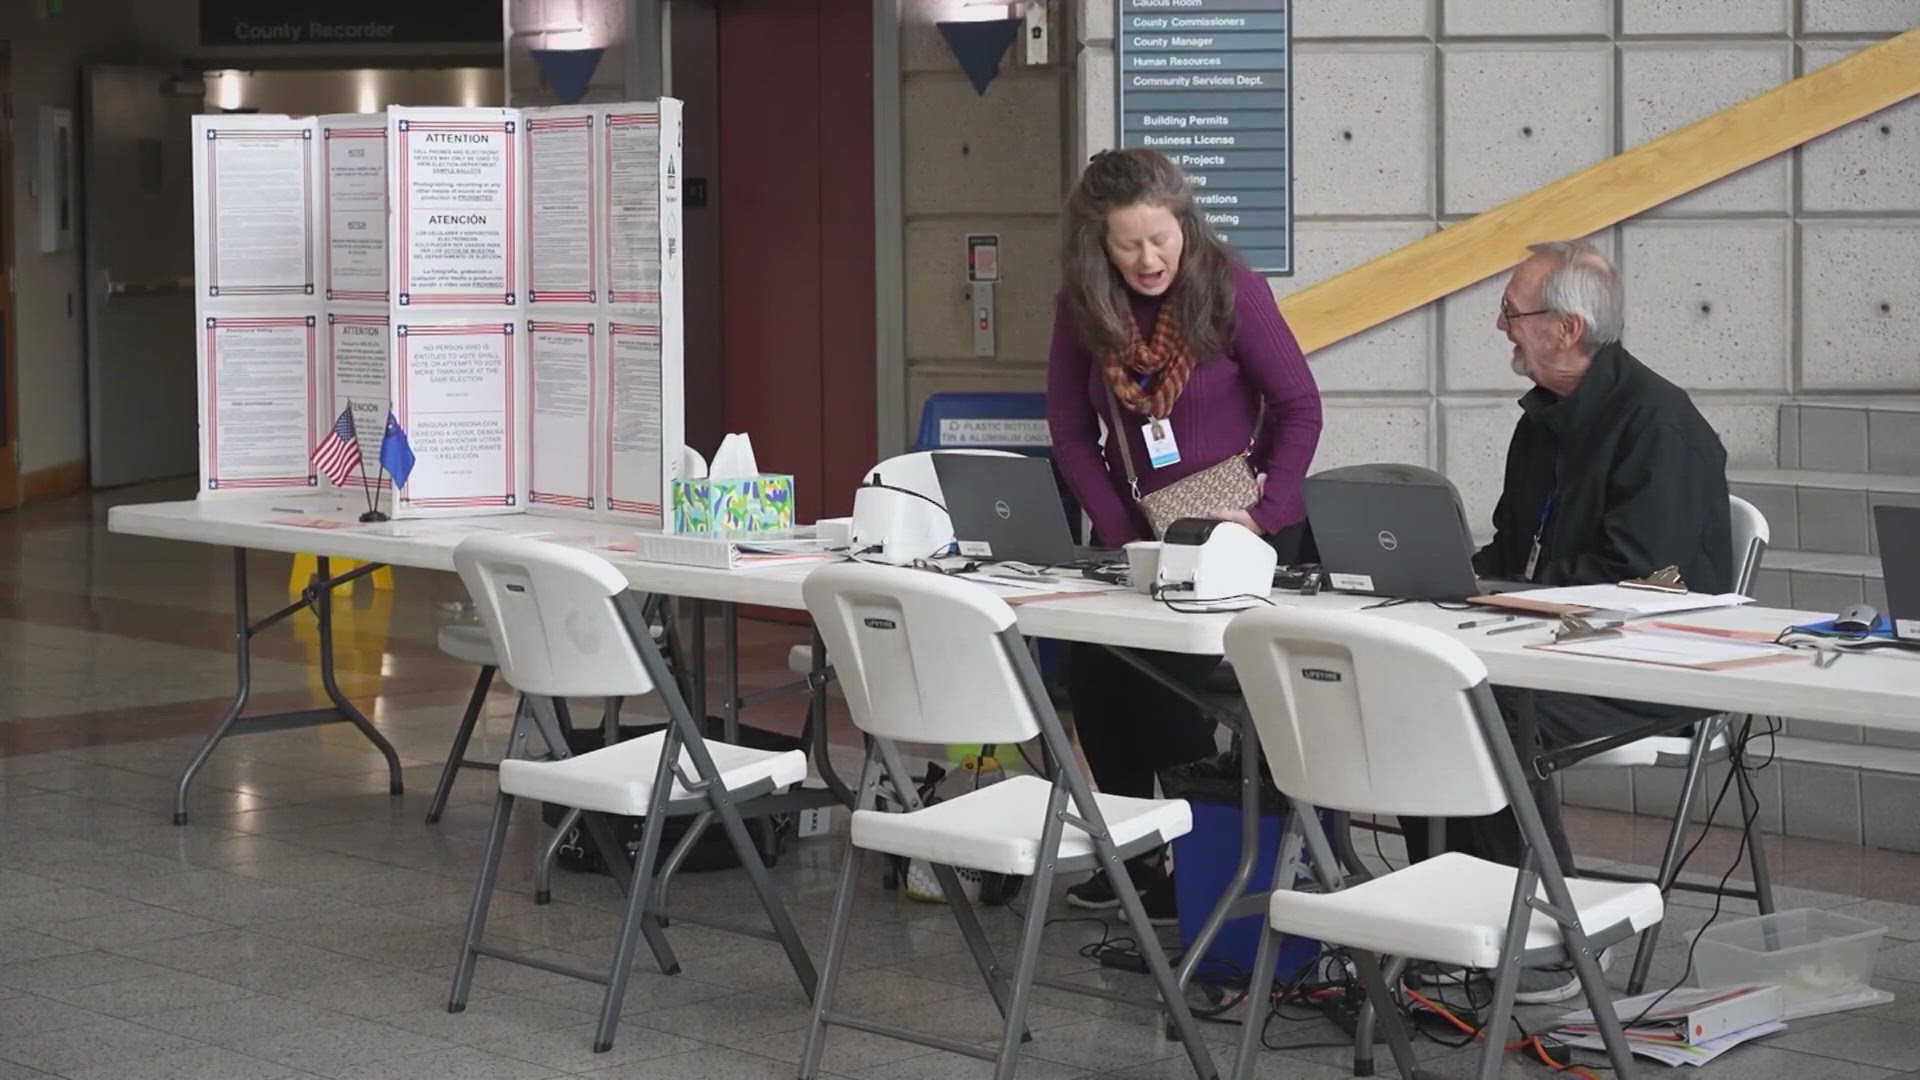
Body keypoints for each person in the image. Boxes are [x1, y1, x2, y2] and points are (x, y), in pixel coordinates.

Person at [1401, 239, 1732, 1002]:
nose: (1500, 327)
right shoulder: (1546, 421)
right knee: (1414, 689)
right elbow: (1520, 549)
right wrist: (1449, 578)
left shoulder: (1658, 427)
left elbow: (1647, 585)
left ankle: (1549, 938)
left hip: (1650, 662)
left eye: (1511, 312)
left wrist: (1507, 597)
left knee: (1483, 711)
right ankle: (1451, 913)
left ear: (1567, 328)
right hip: (1544, 648)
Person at [1045, 147, 1323, 921]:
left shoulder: (1231, 287)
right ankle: (1137, 856)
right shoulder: (1082, 308)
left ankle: (1200, 862)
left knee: (1173, 694)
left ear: (1185, 227)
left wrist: (1261, 516)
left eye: (1160, 239)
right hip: (1145, 537)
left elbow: (1300, 407)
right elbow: (1071, 434)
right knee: (1098, 680)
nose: (1148, 259)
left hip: (1240, 534)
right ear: (1096, 243)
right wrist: (1122, 530)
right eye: (1128, 243)